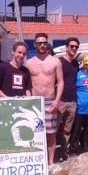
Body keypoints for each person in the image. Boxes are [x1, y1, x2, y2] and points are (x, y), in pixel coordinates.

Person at [25, 33, 64, 165]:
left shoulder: (55, 61)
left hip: (50, 101)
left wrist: (57, 101)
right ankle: (37, 161)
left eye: (44, 43)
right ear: (34, 45)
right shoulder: (29, 63)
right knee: (34, 133)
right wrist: (28, 101)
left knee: (51, 133)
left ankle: (51, 162)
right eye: (39, 43)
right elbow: (27, 84)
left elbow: (61, 82)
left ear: (47, 44)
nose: (42, 45)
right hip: (34, 102)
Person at [56, 37, 80, 161]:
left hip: (72, 101)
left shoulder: (76, 63)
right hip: (60, 101)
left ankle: (64, 153)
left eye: (76, 47)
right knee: (52, 129)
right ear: (66, 47)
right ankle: (49, 154)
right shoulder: (59, 62)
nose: (74, 48)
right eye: (72, 46)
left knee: (67, 130)